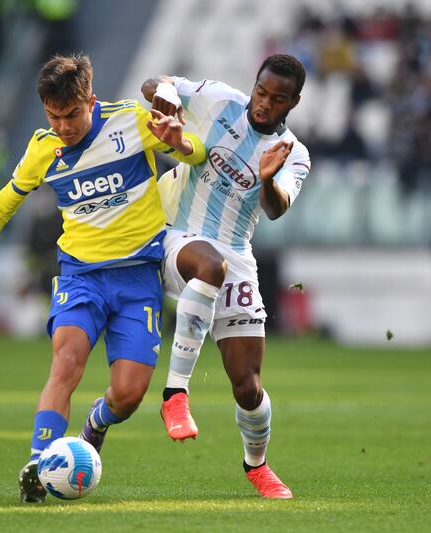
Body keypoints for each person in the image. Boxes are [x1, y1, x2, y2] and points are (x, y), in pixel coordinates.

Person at [0, 53, 206, 503]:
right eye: (53, 116)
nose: (63, 126)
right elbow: (1, 206)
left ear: (90, 102)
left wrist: (182, 142)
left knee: (129, 395)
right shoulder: (43, 149)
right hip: (81, 277)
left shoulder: (132, 122)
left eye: (71, 114)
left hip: (138, 280)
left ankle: (96, 422)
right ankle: (39, 465)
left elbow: (198, 154)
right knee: (67, 361)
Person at [141, 54, 311, 499]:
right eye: (261, 92)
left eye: (277, 99)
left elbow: (276, 209)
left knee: (248, 386)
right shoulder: (218, 100)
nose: (264, 104)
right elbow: (153, 83)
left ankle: (257, 465)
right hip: (179, 235)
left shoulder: (294, 153)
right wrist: (165, 99)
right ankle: (174, 395)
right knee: (208, 266)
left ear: (293, 102)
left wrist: (269, 180)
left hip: (237, 254)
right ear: (253, 85)